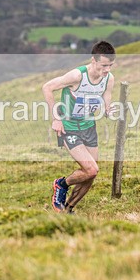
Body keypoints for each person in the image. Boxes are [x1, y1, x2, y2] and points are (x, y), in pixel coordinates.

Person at [43, 41, 116, 214]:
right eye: (104, 65)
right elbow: (47, 87)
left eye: (110, 66)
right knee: (91, 169)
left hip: (89, 126)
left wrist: (108, 109)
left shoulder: (109, 78)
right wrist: (56, 118)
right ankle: (61, 184)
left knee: (91, 174)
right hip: (69, 126)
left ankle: (68, 209)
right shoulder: (77, 76)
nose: (107, 70)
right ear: (93, 61)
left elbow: (107, 95)